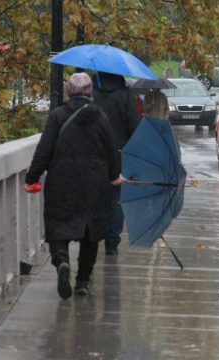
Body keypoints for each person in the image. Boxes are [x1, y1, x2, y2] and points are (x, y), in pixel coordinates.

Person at [24, 73, 122, 299]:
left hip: (62, 180)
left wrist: (32, 177)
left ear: (68, 92)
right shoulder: (101, 118)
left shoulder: (57, 116)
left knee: (58, 225)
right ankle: (82, 281)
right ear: (90, 92)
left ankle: (62, 262)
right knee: (91, 232)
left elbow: (44, 150)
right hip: (94, 183)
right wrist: (114, 174)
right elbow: (111, 150)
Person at [93, 71, 141, 255]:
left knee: (94, 198)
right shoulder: (125, 96)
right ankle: (112, 242)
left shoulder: (92, 94)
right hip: (118, 155)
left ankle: (93, 236)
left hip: (93, 155)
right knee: (115, 199)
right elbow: (134, 128)